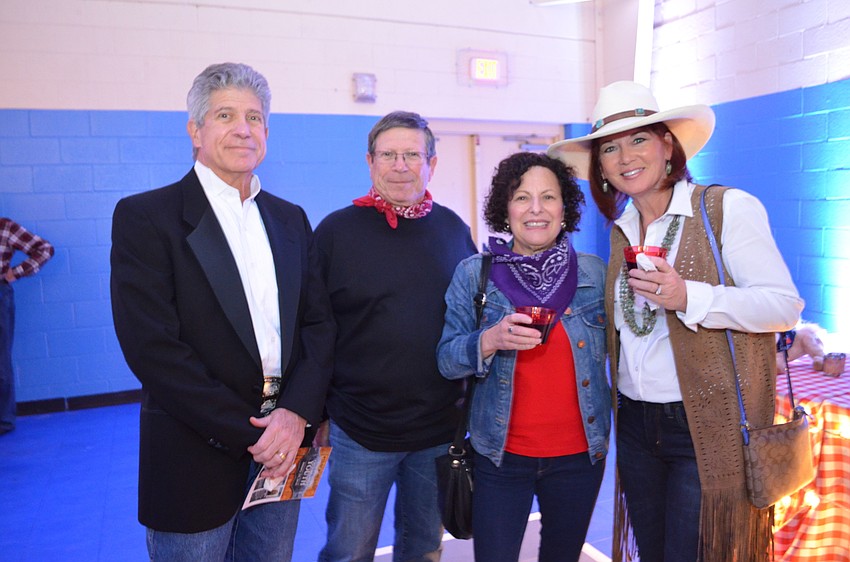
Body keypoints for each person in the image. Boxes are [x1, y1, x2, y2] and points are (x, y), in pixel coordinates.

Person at [547, 80, 804, 562]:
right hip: (637, 423)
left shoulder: (726, 209)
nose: (626, 156)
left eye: (640, 139)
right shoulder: (621, 232)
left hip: (704, 421)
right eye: (610, 148)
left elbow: (782, 305)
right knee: (655, 552)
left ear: (668, 145)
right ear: (600, 168)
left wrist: (689, 296)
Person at [110, 62, 334, 561]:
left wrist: (296, 414)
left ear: (267, 133)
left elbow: (319, 324)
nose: (242, 129)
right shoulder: (147, 217)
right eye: (225, 115)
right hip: (197, 446)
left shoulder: (289, 218)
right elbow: (153, 347)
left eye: (254, 118)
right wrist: (254, 433)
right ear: (195, 130)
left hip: (285, 444)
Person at [314, 110, 476, 562]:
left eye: (411, 154)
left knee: (423, 547)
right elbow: (312, 329)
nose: (400, 165)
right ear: (370, 162)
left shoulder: (452, 229)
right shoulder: (334, 233)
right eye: (388, 154)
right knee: (349, 550)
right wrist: (314, 411)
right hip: (360, 428)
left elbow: (474, 317)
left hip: (438, 427)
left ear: (432, 163)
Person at [437, 152, 610, 562]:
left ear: (564, 209)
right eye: (521, 197)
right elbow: (446, 359)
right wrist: (490, 339)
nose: (535, 209)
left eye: (548, 197)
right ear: (505, 208)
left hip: (578, 458)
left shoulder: (593, 273)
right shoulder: (473, 274)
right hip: (500, 457)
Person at [1, 218, 54, 436]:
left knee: (0, 362)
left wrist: (17, 272)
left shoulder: (4, 227)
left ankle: (3, 421)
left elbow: (45, 249)